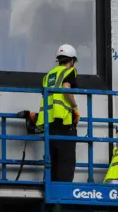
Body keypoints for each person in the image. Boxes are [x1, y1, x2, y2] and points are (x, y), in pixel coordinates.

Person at [36, 44, 81, 182]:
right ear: (72, 60)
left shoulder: (49, 75)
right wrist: (75, 107)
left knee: (52, 158)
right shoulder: (69, 72)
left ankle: (51, 185)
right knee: (66, 159)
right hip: (63, 120)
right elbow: (66, 88)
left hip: (49, 121)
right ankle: (63, 190)